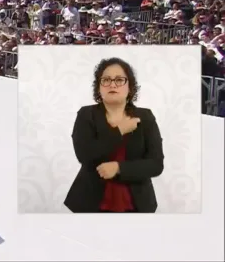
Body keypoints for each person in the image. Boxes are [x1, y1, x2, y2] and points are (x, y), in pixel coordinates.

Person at [64, 57, 164, 213]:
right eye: (106, 80)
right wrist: (119, 131)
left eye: (119, 80)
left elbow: (156, 165)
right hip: (90, 203)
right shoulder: (86, 114)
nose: (112, 84)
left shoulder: (145, 116)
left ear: (130, 87)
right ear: (98, 87)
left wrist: (119, 168)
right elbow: (85, 156)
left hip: (137, 203)